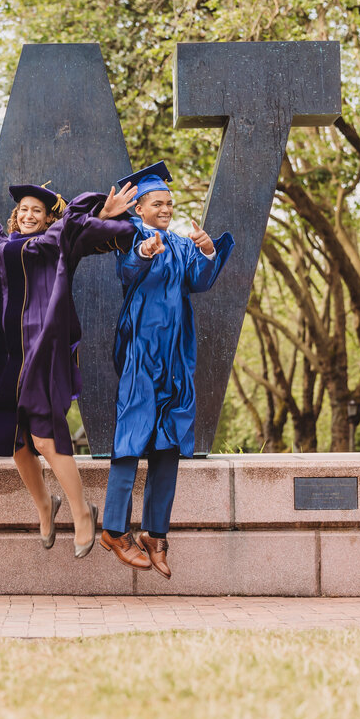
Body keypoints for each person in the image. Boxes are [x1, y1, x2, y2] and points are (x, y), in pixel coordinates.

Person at [0, 151, 137, 557]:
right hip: (1, 356)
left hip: (40, 352)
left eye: (37, 211)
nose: (28, 214)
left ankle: (82, 512)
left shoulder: (53, 242)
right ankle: (46, 505)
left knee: (44, 437)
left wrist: (107, 213)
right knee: (12, 440)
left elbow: (81, 229)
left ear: (47, 218)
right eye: (23, 209)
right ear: (15, 215)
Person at [100, 161, 234, 579]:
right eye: (158, 203)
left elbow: (199, 280)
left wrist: (207, 248)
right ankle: (114, 529)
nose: (166, 209)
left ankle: (154, 535)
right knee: (132, 436)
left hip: (176, 357)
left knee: (168, 443)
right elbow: (126, 270)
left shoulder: (178, 244)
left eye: (169, 203)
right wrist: (142, 251)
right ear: (139, 208)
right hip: (142, 353)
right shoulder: (130, 236)